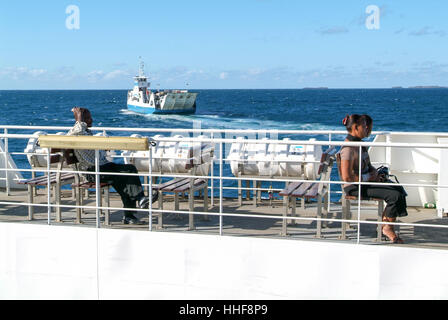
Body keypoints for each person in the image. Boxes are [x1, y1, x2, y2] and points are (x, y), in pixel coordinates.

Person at [67, 107, 157, 225]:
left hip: (103, 167)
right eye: (88, 118)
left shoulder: (86, 133)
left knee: (129, 170)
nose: (91, 120)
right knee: (124, 177)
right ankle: (138, 202)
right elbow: (76, 131)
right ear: (81, 120)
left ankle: (135, 207)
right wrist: (78, 116)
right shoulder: (75, 132)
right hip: (93, 172)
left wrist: (102, 149)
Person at [339, 114, 407, 243]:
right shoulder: (348, 149)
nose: (367, 128)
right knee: (394, 195)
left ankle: (385, 225)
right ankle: (387, 229)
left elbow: (368, 165)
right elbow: (347, 177)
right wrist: (368, 177)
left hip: (365, 182)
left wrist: (375, 173)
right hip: (355, 187)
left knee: (398, 188)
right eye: (364, 126)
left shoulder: (360, 144)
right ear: (355, 127)